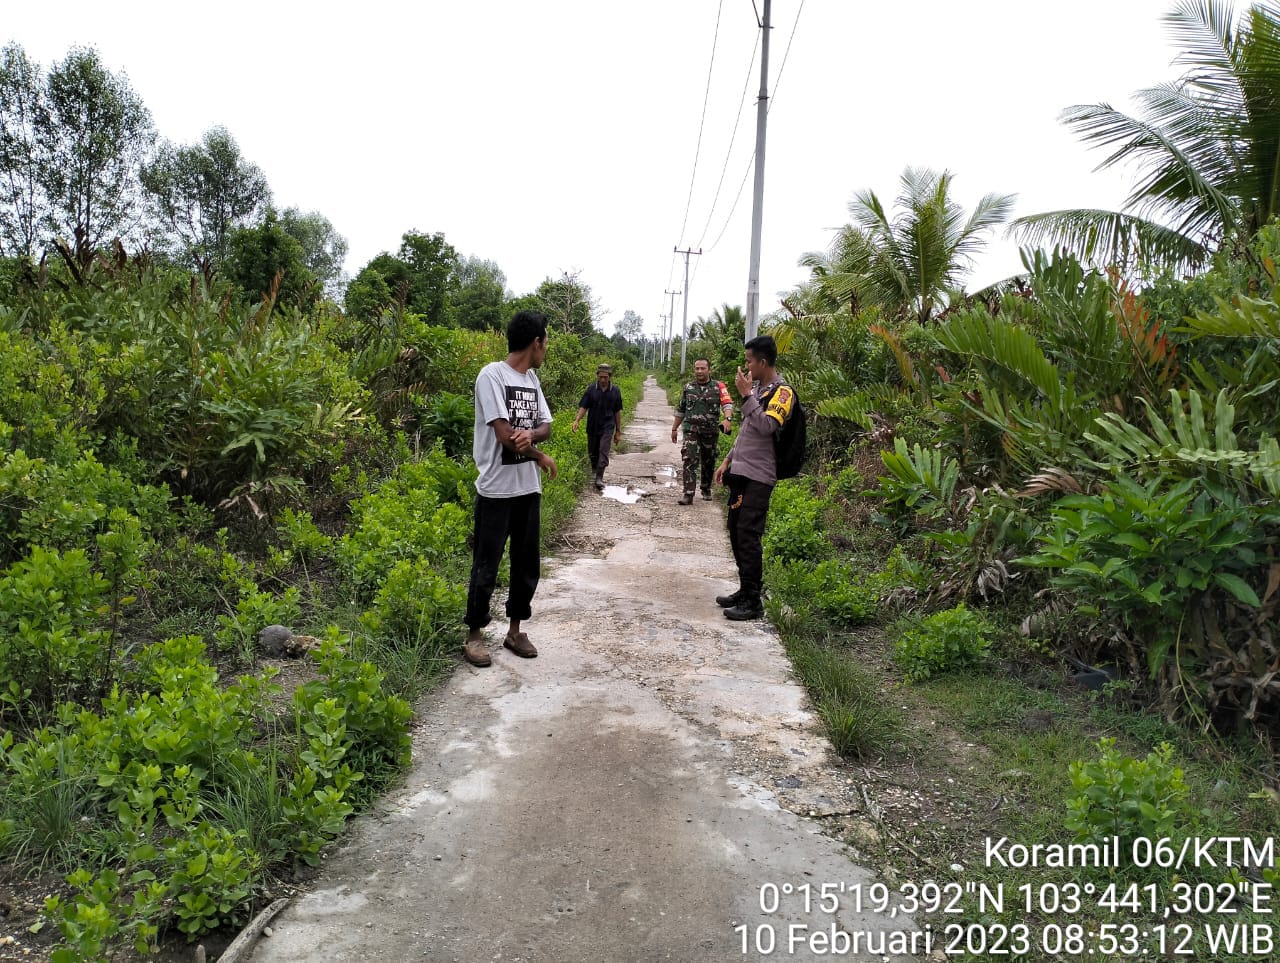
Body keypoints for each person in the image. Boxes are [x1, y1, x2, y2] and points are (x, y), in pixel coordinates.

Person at [463, 310, 558, 668]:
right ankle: (474, 636)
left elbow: (545, 424)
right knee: (486, 564)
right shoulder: (491, 376)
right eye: (545, 343)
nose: (544, 350)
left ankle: (514, 630)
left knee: (525, 564)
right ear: (536, 343)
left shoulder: (532, 380)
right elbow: (504, 437)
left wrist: (531, 436)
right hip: (495, 490)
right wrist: (541, 455)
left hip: (527, 490)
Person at [712, 335, 796, 621]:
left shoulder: (783, 393)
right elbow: (746, 431)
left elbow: (767, 426)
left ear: (762, 362)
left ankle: (753, 602)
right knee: (736, 532)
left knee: (749, 535)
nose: (746, 365)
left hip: (760, 476)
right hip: (741, 472)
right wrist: (727, 461)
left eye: (749, 361)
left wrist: (747, 395)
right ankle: (745, 590)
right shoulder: (760, 389)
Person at [671, 357, 733, 504]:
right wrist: (674, 428)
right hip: (691, 430)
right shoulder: (688, 388)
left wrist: (728, 419)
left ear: (709, 370)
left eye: (702, 368)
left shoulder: (719, 387)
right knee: (689, 458)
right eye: (697, 368)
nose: (699, 371)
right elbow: (681, 409)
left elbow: (727, 404)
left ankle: (705, 488)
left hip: (710, 431)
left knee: (708, 460)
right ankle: (688, 494)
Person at [572, 363, 623, 490]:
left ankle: (599, 477)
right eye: (601, 377)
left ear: (610, 377)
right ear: (597, 376)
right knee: (593, 451)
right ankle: (595, 468)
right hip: (593, 425)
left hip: (608, 425)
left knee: (603, 450)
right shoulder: (591, 389)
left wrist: (618, 431)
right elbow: (584, 406)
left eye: (605, 377)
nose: (603, 380)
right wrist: (577, 420)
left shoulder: (615, 391)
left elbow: (617, 412)